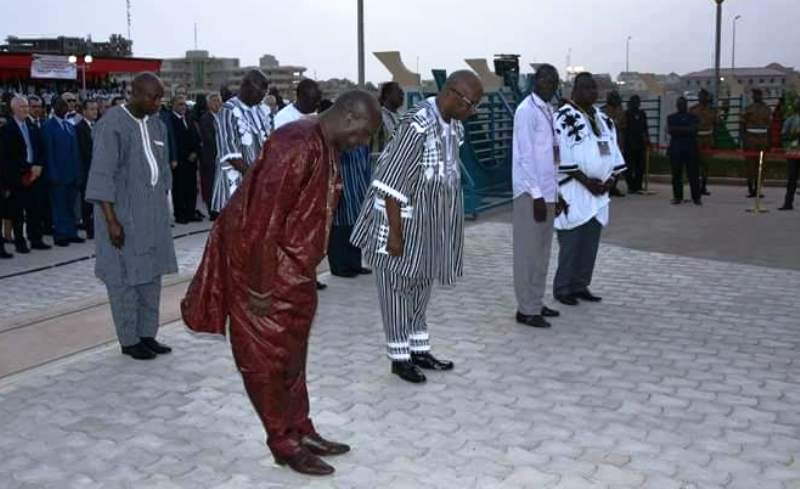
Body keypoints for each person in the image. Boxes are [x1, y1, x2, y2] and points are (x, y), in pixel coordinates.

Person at [181, 90, 381, 476]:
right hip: (262, 268)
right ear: (351, 117)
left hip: (295, 269)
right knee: (264, 359)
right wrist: (259, 285)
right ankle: (283, 442)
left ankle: (301, 428)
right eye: (364, 134)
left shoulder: (323, 143)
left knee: (292, 354)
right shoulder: (295, 143)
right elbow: (261, 219)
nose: (361, 143)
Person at [351, 71, 484, 384]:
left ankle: (418, 348)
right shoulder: (416, 125)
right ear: (452, 94)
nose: (472, 111)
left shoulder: (452, 125)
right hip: (400, 223)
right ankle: (400, 358)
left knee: (421, 285)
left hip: (429, 226)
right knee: (397, 289)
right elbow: (389, 184)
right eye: (471, 104)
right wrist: (395, 236)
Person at [85, 72, 178, 361]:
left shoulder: (157, 125)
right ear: (135, 94)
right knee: (125, 279)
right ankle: (129, 339)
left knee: (151, 276)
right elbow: (101, 176)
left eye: (160, 97)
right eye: (153, 97)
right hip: (123, 217)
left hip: (152, 216)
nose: (158, 102)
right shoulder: (112, 124)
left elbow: (162, 171)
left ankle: (147, 334)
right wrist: (112, 221)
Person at [552, 73, 626, 306]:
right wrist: (587, 181)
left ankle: (580, 284)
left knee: (590, 241)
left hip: (600, 192)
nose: (592, 93)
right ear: (575, 90)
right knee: (572, 240)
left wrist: (611, 179)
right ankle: (563, 287)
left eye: (594, 89)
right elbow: (560, 154)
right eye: (587, 88)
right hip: (574, 189)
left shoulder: (604, 119)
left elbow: (613, 152)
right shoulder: (562, 117)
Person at [511, 64, 563, 329]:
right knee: (528, 254)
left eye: (554, 80)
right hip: (531, 195)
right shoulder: (526, 111)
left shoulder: (548, 110)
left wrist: (557, 192)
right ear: (535, 81)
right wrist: (537, 195)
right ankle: (526, 309)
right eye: (546, 79)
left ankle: (536, 301)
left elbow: (552, 157)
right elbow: (525, 156)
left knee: (543, 253)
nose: (551, 84)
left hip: (548, 192)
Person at [212, 70, 270, 213]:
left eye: (263, 95)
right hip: (235, 185)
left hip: (257, 183)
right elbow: (230, 154)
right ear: (245, 87)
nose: (260, 99)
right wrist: (256, 175)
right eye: (258, 94)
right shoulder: (228, 111)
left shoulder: (259, 110)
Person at [1, 96, 49, 252]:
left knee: (35, 209)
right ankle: (19, 242)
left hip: (34, 173)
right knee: (17, 212)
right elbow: (6, 156)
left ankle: (36, 239)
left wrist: (38, 165)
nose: (26, 109)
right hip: (17, 175)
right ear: (14, 108)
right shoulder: (7, 128)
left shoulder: (32, 126)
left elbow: (40, 149)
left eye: (27, 106)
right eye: (22, 107)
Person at [42, 97, 84, 247]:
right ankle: (60, 235)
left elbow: (76, 152)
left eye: (66, 105)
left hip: (72, 173)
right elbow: (49, 153)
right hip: (58, 175)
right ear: (54, 107)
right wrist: (52, 174)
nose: (64, 108)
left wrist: (78, 173)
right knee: (59, 207)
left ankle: (71, 232)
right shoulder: (48, 126)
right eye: (61, 105)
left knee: (70, 206)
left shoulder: (69, 126)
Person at [328, 144, 372, 277]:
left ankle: (355, 264)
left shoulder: (362, 144)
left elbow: (367, 165)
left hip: (359, 187)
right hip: (342, 187)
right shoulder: (338, 142)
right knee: (340, 224)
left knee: (356, 223)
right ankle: (339, 267)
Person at [169, 95, 202, 224]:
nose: (183, 107)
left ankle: (190, 212)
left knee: (191, 187)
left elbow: (195, 137)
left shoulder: (189, 119)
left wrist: (195, 152)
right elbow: (172, 141)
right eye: (180, 104)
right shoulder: (170, 120)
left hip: (191, 160)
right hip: (179, 160)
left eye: (184, 105)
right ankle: (180, 214)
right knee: (179, 188)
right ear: (173, 105)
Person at [667, 97, 701, 205]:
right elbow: (671, 131)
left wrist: (679, 130)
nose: (681, 106)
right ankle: (677, 197)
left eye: (683, 104)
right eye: (679, 104)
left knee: (693, 174)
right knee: (676, 174)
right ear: (677, 105)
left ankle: (696, 197)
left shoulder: (693, 117)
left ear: (686, 105)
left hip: (690, 148)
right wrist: (686, 130)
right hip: (676, 149)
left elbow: (694, 130)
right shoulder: (671, 117)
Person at [741, 89, 772, 198]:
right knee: (750, 164)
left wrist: (769, 141)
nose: (756, 96)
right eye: (755, 95)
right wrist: (744, 140)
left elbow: (770, 127)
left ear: (761, 96)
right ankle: (751, 189)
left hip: (763, 138)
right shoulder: (748, 109)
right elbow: (742, 125)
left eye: (758, 95)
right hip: (751, 138)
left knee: (761, 164)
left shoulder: (767, 109)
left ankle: (758, 189)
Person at [76, 99, 99, 239]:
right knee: (88, 202)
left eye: (96, 109)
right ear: (84, 111)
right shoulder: (80, 128)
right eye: (91, 109)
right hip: (88, 170)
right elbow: (85, 150)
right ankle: (89, 228)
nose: (94, 112)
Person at [199, 93, 222, 219]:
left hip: (221, 158)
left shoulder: (222, 117)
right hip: (211, 156)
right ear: (208, 104)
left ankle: (220, 207)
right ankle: (212, 210)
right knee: (210, 183)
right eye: (214, 101)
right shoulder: (206, 118)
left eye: (218, 101)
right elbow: (209, 138)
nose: (217, 103)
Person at [689, 89, 716, 196]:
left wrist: (714, 140)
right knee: (695, 164)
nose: (702, 98)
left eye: (704, 96)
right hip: (696, 138)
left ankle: (703, 187)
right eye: (701, 96)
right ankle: (695, 186)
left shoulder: (712, 111)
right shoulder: (693, 110)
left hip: (708, 138)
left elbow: (716, 125)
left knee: (706, 164)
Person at [623, 95, 650, 194]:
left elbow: (645, 127)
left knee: (640, 166)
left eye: (638, 102)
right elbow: (624, 129)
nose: (637, 104)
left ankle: (638, 185)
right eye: (634, 102)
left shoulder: (642, 114)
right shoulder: (626, 114)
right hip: (629, 143)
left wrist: (647, 139)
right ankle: (631, 186)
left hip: (640, 143)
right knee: (629, 167)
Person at [602, 91, 626, 196]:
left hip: (617, 140)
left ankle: (613, 187)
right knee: (604, 165)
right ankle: (604, 187)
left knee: (617, 165)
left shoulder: (620, 110)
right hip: (604, 142)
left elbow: (624, 125)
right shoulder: (602, 111)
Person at [371, 82, 404, 157]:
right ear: (387, 94)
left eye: (401, 92)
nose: (402, 94)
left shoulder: (402, 117)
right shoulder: (378, 117)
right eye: (398, 91)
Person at [778, 99, 800, 211]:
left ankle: (788, 203)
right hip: (793, 152)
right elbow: (783, 135)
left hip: (793, 152)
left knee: (792, 178)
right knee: (792, 178)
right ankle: (788, 203)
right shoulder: (790, 120)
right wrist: (794, 136)